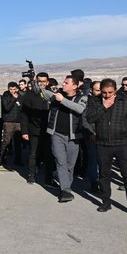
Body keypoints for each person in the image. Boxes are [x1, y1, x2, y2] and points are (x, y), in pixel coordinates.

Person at [85, 79, 127, 217]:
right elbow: (90, 119)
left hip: (122, 144)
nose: (107, 95)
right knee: (104, 175)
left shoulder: (125, 101)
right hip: (103, 144)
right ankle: (106, 202)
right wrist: (104, 106)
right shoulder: (95, 101)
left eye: (110, 92)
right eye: (104, 93)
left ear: (115, 90)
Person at [39, 75, 88, 203]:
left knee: (70, 165)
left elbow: (80, 109)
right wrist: (35, 81)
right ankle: (65, 190)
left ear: (75, 86)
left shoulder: (82, 97)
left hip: (74, 136)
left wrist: (62, 100)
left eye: (66, 83)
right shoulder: (57, 95)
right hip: (57, 134)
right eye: (64, 82)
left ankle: (66, 185)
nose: (63, 84)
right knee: (61, 162)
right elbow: (43, 92)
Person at [20, 73, 55, 185]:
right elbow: (24, 115)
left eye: (44, 81)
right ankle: (31, 175)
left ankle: (48, 178)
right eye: (39, 81)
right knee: (33, 153)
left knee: (49, 154)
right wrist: (24, 131)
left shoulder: (52, 95)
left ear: (47, 82)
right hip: (33, 129)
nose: (42, 83)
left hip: (48, 130)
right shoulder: (29, 95)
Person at [0, 82, 23, 169]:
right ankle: (2, 158)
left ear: (17, 89)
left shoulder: (21, 97)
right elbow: (6, 108)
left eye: (14, 89)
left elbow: (22, 108)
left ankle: (18, 159)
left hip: (19, 122)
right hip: (9, 122)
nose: (12, 91)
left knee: (18, 142)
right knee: (6, 141)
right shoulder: (6, 97)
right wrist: (13, 99)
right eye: (11, 89)